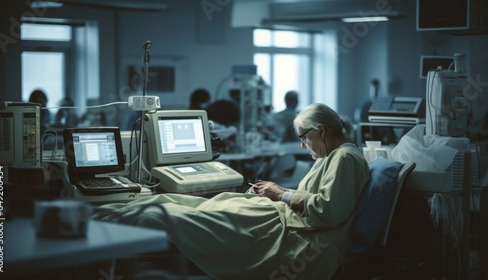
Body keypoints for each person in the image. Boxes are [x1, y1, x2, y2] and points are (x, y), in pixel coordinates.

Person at [93, 103, 370, 280]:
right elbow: (320, 198)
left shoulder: (345, 158)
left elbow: (328, 211)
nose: (302, 146)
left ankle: (98, 223)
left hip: (293, 234)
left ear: (320, 131)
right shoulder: (336, 156)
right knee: (180, 201)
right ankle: (107, 216)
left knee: (174, 214)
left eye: (303, 138)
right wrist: (279, 190)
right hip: (281, 217)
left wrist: (281, 194)